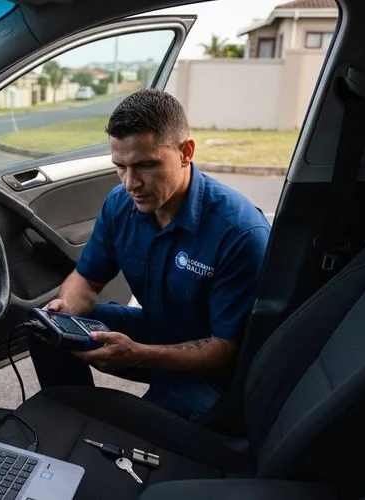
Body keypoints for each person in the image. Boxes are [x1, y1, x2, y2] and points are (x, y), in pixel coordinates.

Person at [28, 89, 271, 422]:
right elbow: (86, 278)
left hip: (213, 373)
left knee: (141, 432)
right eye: (120, 167)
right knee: (46, 332)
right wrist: (66, 310)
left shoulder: (239, 232)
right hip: (155, 330)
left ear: (186, 152)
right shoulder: (120, 204)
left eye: (146, 165)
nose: (131, 183)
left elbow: (226, 351)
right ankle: (73, 419)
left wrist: (138, 355)